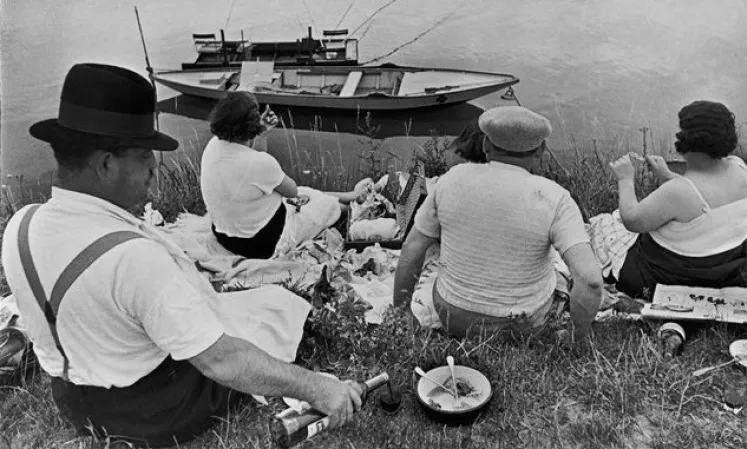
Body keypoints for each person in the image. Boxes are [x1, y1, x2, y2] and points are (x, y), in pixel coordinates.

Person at [1, 63, 363, 447]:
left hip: (71, 399)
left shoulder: (21, 224)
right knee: (271, 313)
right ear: (106, 164)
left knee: (250, 310)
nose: (154, 168)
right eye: (144, 156)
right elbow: (221, 361)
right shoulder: (134, 258)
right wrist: (319, 388)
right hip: (149, 410)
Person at [393, 106, 603, 340]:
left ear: (485, 145)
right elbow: (591, 280)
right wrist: (577, 336)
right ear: (540, 151)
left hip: (451, 316)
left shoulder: (451, 179)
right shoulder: (556, 197)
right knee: (561, 277)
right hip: (523, 325)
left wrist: (403, 313)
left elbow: (411, 249)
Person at [608, 100, 747, 300]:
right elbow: (701, 198)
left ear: (687, 140)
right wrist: (666, 175)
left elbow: (632, 221)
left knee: (606, 226)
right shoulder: (740, 170)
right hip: (724, 268)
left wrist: (625, 179)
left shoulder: (678, 192)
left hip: (669, 277)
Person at [200, 91, 365, 259]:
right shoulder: (260, 163)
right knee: (315, 201)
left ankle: (352, 196)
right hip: (261, 243)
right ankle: (352, 207)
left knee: (305, 192)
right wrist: (260, 132)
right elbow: (292, 191)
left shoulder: (213, 146)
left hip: (226, 236)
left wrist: (262, 133)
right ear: (251, 125)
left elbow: (253, 167)